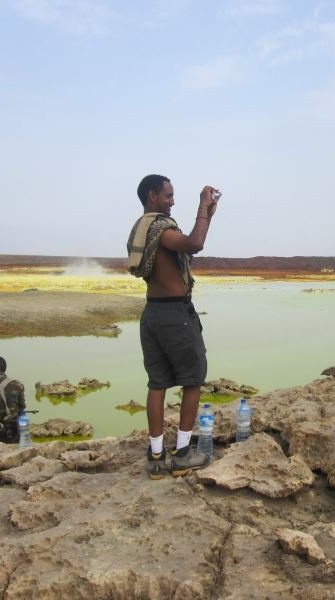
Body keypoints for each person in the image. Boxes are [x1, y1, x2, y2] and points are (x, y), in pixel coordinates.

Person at [129, 174, 220, 479]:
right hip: (174, 316)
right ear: (152, 195)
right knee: (192, 379)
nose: (172, 200)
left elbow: (186, 249)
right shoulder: (161, 227)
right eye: (168, 195)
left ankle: (156, 456)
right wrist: (202, 209)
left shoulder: (144, 229)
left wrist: (208, 214)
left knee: (157, 383)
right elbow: (195, 243)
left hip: (152, 313)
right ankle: (182, 453)